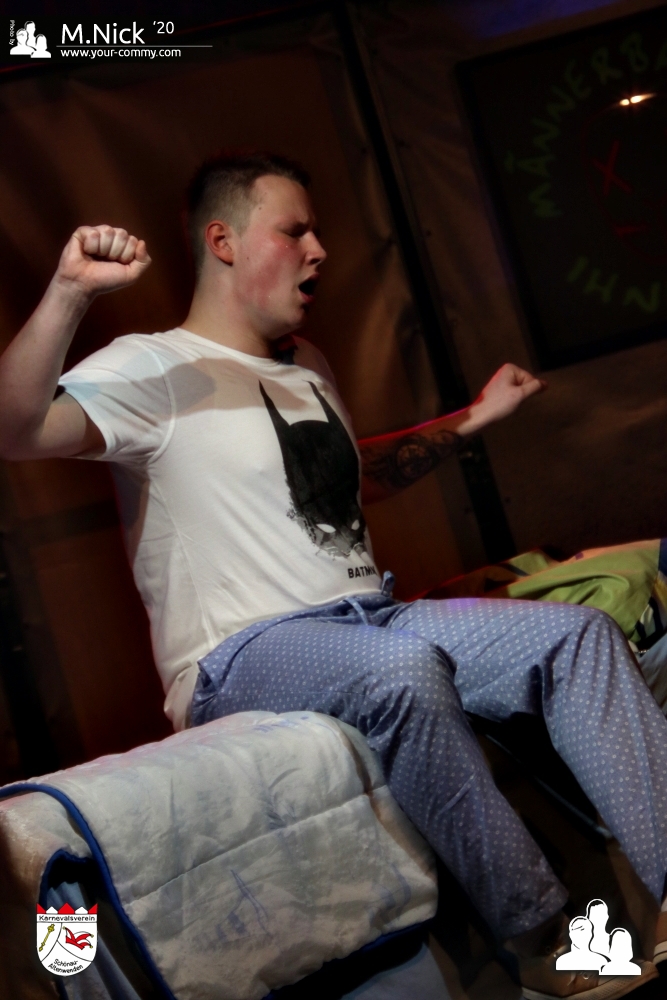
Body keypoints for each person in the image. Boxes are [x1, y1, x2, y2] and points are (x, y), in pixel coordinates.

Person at [1, 152, 665, 999]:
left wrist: (473, 418)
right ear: (224, 242)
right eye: (295, 231)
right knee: (400, 672)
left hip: (370, 615)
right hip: (241, 652)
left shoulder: (305, 363)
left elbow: (347, 478)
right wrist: (69, 291)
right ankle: (541, 937)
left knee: (577, 636)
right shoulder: (153, 368)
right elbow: (15, 429)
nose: (318, 250)